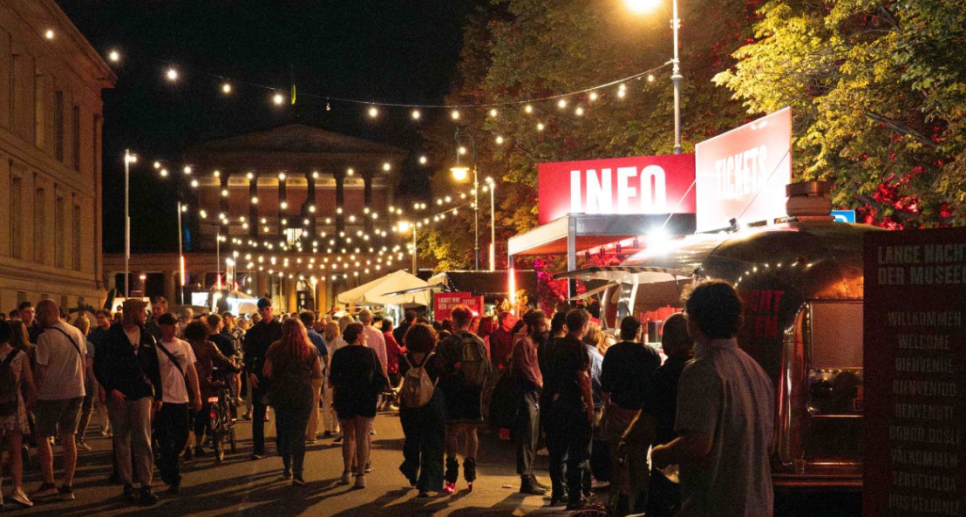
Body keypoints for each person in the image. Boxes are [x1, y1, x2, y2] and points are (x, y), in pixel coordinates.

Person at [651, 280, 775, 517]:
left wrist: (662, 453)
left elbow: (697, 443)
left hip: (717, 504)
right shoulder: (755, 370)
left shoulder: (702, 370)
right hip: (757, 504)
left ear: (695, 320)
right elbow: (767, 443)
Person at [621, 313, 691, 517]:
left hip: (667, 464)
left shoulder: (665, 375)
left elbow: (647, 421)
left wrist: (626, 442)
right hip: (700, 471)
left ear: (667, 341)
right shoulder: (704, 369)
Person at [95, 298, 163, 505]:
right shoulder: (111, 336)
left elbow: (154, 367)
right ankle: (127, 483)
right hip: (119, 395)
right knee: (122, 439)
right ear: (132, 313)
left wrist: (158, 394)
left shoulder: (147, 336)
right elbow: (99, 365)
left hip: (141, 393)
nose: (145, 315)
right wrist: (110, 388)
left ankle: (146, 485)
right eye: (142, 312)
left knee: (143, 439)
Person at [600, 316, 662, 514]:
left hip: (619, 410)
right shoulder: (651, 354)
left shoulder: (613, 352)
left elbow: (605, 386)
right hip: (642, 413)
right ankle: (641, 498)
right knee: (640, 457)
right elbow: (655, 386)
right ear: (638, 331)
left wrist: (607, 410)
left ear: (621, 331)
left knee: (618, 457)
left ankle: (622, 498)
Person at [32, 299, 87, 502]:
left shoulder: (45, 337)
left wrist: (34, 393)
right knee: (68, 437)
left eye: (39, 314)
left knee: (42, 436)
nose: (37, 319)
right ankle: (67, 485)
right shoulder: (76, 332)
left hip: (52, 394)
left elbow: (41, 369)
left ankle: (49, 482)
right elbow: (83, 363)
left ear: (48, 313)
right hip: (76, 391)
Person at [543, 309, 595, 509]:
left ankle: (558, 492)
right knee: (577, 453)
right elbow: (583, 379)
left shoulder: (555, 346)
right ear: (583, 327)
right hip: (573, 404)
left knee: (557, 452)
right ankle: (575, 497)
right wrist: (590, 405)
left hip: (555, 404)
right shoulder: (578, 346)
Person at [436, 305, 491, 493]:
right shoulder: (479, 342)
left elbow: (440, 368)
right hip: (474, 391)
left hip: (453, 390)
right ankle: (470, 474)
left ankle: (451, 478)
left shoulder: (447, 342)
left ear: (453, 321)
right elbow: (487, 368)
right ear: (470, 321)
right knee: (471, 430)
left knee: (451, 431)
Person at [264, 319, 323, 484]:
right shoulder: (310, 348)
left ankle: (287, 468)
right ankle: (298, 473)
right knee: (299, 434)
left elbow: (267, 371)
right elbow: (318, 373)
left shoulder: (275, 347)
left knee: (284, 431)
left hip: (282, 393)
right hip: (303, 393)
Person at [329, 323, 388, 489]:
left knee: (348, 436)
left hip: (345, 397)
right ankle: (361, 474)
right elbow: (379, 377)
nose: (366, 335)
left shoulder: (340, 354)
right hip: (365, 397)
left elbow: (333, 377)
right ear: (358, 336)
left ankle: (347, 471)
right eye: (364, 333)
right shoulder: (369, 353)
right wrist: (375, 392)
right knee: (363, 436)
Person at [154, 313, 201, 493]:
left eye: (175, 325)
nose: (174, 328)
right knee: (166, 440)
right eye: (170, 325)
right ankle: (174, 477)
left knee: (181, 437)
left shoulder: (185, 346)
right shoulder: (156, 348)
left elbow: (191, 371)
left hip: (181, 398)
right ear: (162, 327)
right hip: (163, 400)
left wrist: (197, 395)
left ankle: (166, 463)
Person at [397, 323, 446, 497]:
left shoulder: (404, 359)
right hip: (432, 403)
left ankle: (411, 468)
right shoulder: (435, 359)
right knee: (432, 442)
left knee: (412, 438)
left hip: (409, 403)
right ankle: (426, 483)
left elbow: (402, 376)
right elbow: (444, 376)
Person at [183, 321, 237, 462]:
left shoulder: (184, 345)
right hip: (205, 385)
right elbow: (222, 359)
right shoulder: (209, 345)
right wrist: (235, 368)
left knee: (189, 417)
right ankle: (198, 445)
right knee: (202, 415)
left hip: (186, 385)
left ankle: (188, 446)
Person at [510, 310, 549, 495]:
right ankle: (526, 478)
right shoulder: (524, 344)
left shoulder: (533, 344)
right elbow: (527, 371)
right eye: (542, 325)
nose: (546, 328)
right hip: (526, 394)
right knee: (527, 437)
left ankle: (529, 475)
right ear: (532, 326)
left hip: (533, 394)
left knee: (533, 437)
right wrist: (540, 386)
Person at [0, 320, 37, 507]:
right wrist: (28, 405)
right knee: (15, 451)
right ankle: (17, 489)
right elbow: (30, 385)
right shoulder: (20, 355)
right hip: (14, 407)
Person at [243, 298, 282, 459]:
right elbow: (248, 354)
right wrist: (251, 372)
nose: (265, 312)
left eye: (267, 308)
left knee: (280, 412)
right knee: (258, 413)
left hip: (278, 374)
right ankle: (258, 448)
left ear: (272, 309)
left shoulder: (280, 328)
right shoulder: (253, 331)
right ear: (258, 311)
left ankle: (281, 445)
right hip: (259, 373)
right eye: (262, 309)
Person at [298, 311, 327, 443]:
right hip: (315, 374)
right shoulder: (317, 337)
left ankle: (300, 432)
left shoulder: (297, 336)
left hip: (299, 374)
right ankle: (312, 434)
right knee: (314, 405)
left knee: (299, 404)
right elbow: (325, 356)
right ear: (313, 321)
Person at [72, 315, 97, 452]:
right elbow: (89, 366)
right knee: (87, 410)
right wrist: (94, 383)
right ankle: (79, 438)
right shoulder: (88, 345)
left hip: (71, 380)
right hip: (85, 381)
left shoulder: (69, 341)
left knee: (73, 410)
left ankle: (71, 437)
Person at [322, 322, 344, 438]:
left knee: (326, 403)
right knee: (336, 402)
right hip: (336, 375)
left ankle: (327, 427)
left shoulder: (322, 342)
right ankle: (336, 426)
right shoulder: (339, 341)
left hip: (325, 375)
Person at [380, 318, 405, 406]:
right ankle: (390, 403)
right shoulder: (388, 336)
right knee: (392, 384)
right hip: (391, 363)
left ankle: (386, 402)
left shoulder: (382, 334)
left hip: (386, 363)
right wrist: (406, 346)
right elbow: (398, 350)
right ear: (390, 326)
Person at [358, 309, 388, 376]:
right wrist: (385, 369)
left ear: (360, 319)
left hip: (362, 367)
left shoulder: (358, 333)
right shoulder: (378, 332)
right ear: (371, 318)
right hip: (377, 366)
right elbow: (383, 352)